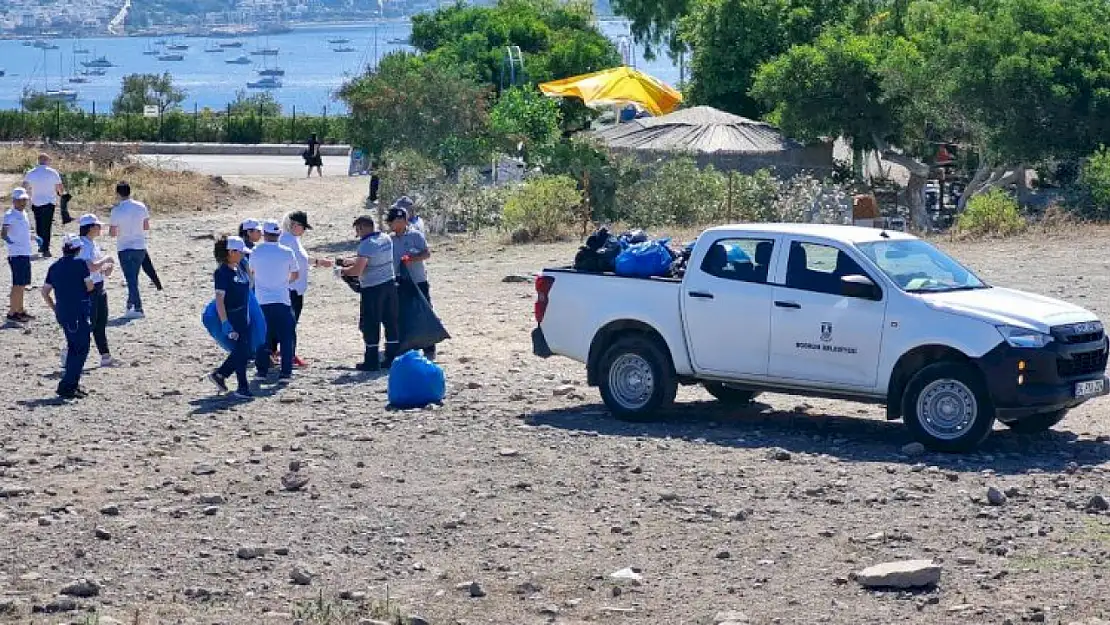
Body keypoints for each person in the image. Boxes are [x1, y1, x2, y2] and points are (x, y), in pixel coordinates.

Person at [339, 215, 398, 372]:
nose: (357, 234)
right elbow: (372, 259)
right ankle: (392, 357)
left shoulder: (366, 245)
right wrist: (352, 260)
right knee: (390, 321)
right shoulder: (385, 238)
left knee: (371, 323)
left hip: (372, 289)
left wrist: (342, 271)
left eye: (358, 230)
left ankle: (371, 361)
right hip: (390, 284)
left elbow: (358, 270)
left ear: (362, 228)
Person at [42, 234, 95, 399]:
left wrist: (55, 308)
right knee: (81, 348)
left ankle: (71, 384)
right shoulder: (80, 264)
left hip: (63, 313)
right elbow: (90, 286)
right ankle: (67, 385)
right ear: (78, 249)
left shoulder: (54, 267)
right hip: (77, 312)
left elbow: (45, 292)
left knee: (73, 346)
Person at [276, 210, 332, 367]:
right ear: (294, 225)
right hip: (290, 288)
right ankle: (289, 354)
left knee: (290, 323)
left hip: (296, 288)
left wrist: (318, 262)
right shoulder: (286, 240)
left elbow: (302, 260)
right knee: (289, 323)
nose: (304, 230)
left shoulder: (293, 239)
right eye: (303, 226)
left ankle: (282, 351)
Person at [250, 220, 299, 379]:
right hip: (282, 299)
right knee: (286, 336)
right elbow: (296, 274)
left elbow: (252, 273)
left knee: (262, 337)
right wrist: (283, 282)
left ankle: (262, 371)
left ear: (264, 234)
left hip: (262, 301)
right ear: (279, 234)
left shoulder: (256, 252)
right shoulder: (287, 252)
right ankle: (285, 371)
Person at [386, 205, 436, 360]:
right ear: (390, 223)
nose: (400, 223)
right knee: (402, 314)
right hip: (400, 282)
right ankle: (407, 346)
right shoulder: (389, 240)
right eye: (396, 220)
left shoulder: (416, 235)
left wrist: (412, 258)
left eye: (403, 219)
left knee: (424, 311)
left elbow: (426, 253)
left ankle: (429, 347)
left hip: (418, 280)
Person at [208, 235, 254, 399]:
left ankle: (220, 375)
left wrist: (246, 266)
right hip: (232, 315)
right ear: (230, 252)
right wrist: (225, 322)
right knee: (241, 351)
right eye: (240, 252)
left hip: (243, 314)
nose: (243, 255)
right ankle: (242, 386)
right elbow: (220, 299)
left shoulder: (239, 268)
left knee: (244, 350)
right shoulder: (222, 273)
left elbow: (251, 284)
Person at [76, 213, 117, 368]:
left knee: (100, 322)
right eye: (98, 226)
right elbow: (90, 266)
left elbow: (98, 268)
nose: (100, 228)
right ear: (91, 227)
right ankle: (70, 351)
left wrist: (107, 268)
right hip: (88, 289)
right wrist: (106, 260)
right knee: (89, 324)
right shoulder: (82, 245)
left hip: (99, 286)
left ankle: (105, 355)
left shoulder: (92, 244)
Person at [108, 181, 151, 319]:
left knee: (130, 278)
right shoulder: (141, 206)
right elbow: (146, 226)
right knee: (133, 277)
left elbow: (113, 233)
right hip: (139, 246)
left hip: (124, 247)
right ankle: (130, 303)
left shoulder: (116, 210)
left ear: (118, 193)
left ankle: (138, 307)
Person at [2, 187, 36, 323]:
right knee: (17, 284)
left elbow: (24, 232)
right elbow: (3, 233)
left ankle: (20, 310)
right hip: (16, 254)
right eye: (20, 200)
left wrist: (34, 238)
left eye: (24, 200)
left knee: (22, 284)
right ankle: (12, 312)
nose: (23, 203)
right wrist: (10, 241)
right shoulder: (10, 215)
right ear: (14, 201)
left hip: (25, 252)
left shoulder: (24, 214)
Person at [23, 153, 65, 258]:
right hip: (49, 203)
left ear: (38, 161)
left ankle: (41, 245)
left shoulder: (31, 173)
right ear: (46, 160)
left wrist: (26, 197)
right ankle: (46, 249)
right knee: (47, 226)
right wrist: (60, 194)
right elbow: (60, 188)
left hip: (36, 202)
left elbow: (24, 187)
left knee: (39, 225)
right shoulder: (53, 172)